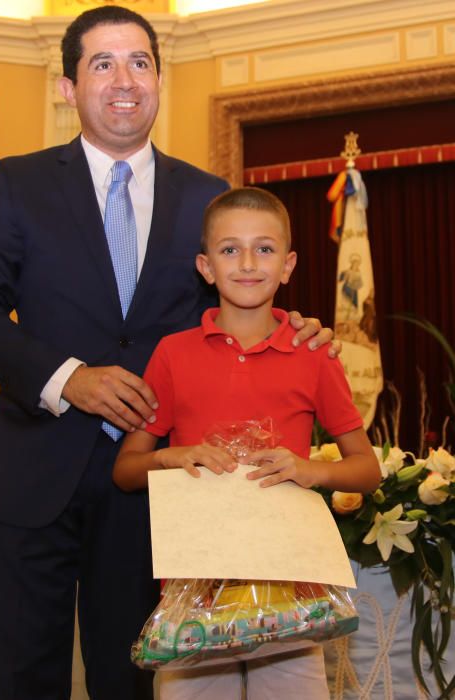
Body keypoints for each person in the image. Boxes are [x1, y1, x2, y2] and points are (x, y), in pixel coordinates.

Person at [0, 7, 338, 700]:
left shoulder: (206, 196)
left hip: (161, 483)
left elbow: (233, 308)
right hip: (34, 474)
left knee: (136, 681)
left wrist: (291, 326)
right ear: (67, 87)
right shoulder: (19, 181)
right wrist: (68, 379)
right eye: (102, 63)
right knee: (20, 679)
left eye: (139, 62)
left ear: (158, 77)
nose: (124, 80)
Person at [113, 187, 381, 700]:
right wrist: (171, 456)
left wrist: (309, 470)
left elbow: (366, 469)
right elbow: (125, 470)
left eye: (265, 248)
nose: (248, 263)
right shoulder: (173, 354)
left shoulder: (312, 354)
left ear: (288, 264)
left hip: (290, 594)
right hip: (193, 596)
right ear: (205, 266)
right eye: (230, 249)